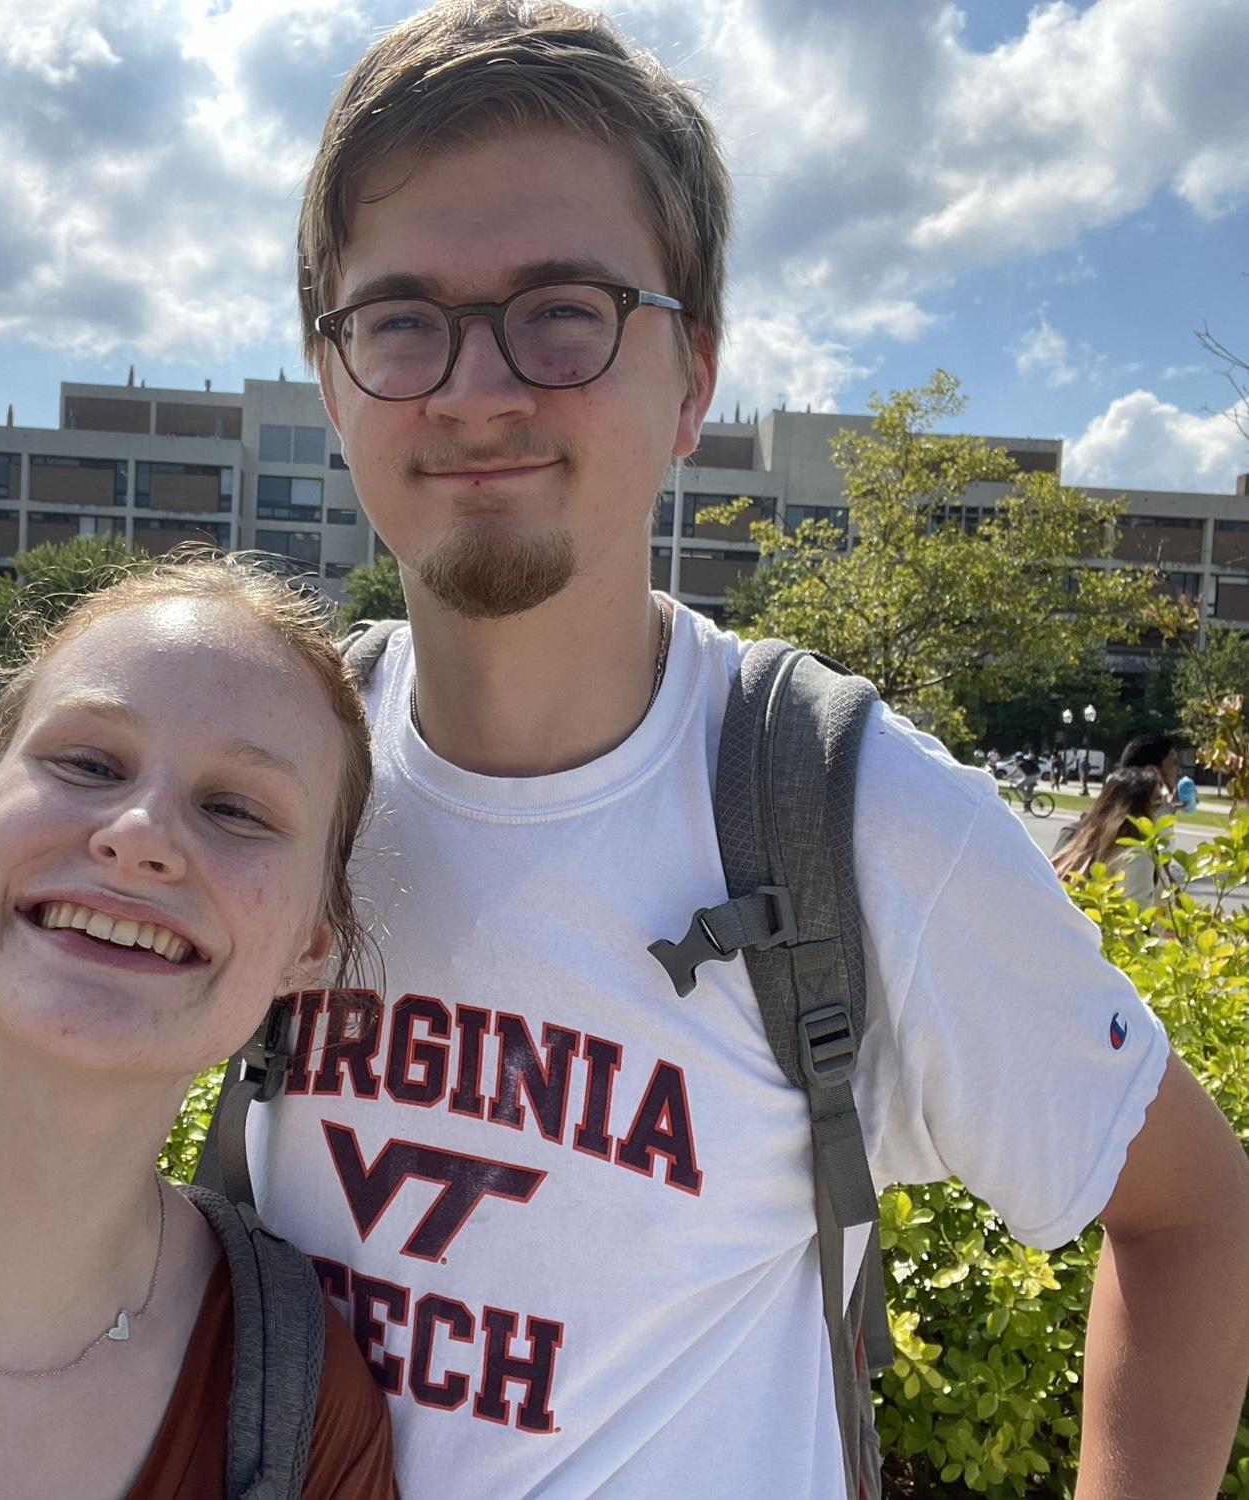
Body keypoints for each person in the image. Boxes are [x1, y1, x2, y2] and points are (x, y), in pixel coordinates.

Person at [245, 5, 1249, 1497]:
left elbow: (1187, 1211)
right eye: (400, 320)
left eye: (564, 308)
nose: (476, 387)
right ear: (333, 384)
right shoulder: (265, 785)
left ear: (694, 379)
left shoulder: (857, 814)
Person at [0, 558, 397, 1499]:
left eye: (235, 809)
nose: (138, 834)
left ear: (311, 942)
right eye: (87, 764)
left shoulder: (308, 1409)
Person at [1051, 767, 1172, 905]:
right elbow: (1132, 919)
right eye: (1156, 805)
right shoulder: (1136, 855)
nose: (1163, 811)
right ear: (1140, 809)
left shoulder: (1079, 836)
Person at [1118, 734, 1182, 803]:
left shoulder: (1117, 810)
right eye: (1174, 764)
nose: (1179, 771)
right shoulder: (1160, 813)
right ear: (1151, 772)